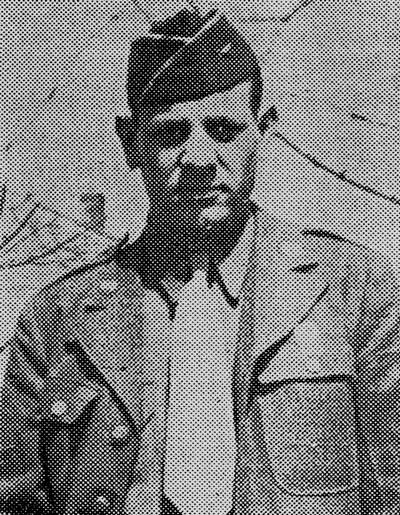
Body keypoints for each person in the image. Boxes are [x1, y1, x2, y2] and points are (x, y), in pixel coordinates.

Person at [1, 7, 400, 515]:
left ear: (264, 130)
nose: (197, 158)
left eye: (223, 129)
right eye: (170, 133)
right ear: (130, 142)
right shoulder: (58, 318)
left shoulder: (357, 293)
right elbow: (15, 497)